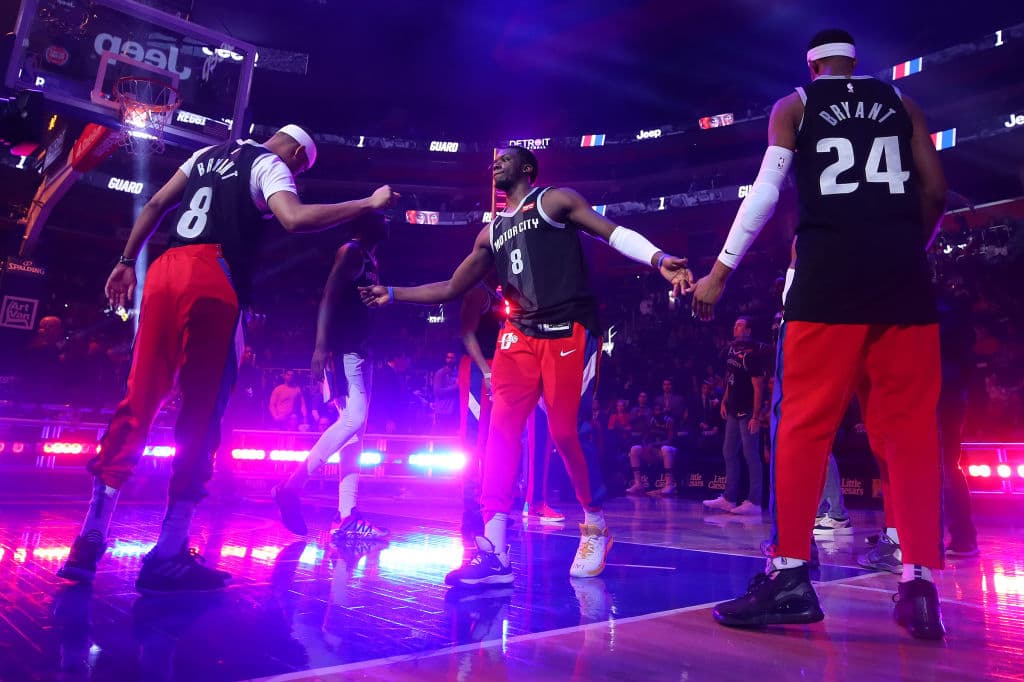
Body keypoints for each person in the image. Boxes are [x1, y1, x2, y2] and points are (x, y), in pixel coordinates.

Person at [57, 123, 398, 593]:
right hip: (213, 279)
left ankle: (90, 536)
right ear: (297, 151)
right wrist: (366, 203)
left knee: (138, 399)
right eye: (301, 165)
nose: (296, 171)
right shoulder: (269, 163)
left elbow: (156, 204)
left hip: (162, 270)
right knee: (201, 415)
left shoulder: (205, 155)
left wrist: (124, 260)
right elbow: (294, 218)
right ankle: (170, 552)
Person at [692, 29, 947, 638]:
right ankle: (919, 585)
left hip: (828, 279)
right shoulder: (900, 103)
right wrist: (909, 252)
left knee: (804, 425)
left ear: (812, 65)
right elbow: (935, 192)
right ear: (857, 63)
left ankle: (789, 577)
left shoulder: (797, 105)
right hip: (903, 282)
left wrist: (720, 271)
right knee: (910, 433)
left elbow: (766, 192)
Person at [362, 145, 692, 587]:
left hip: (569, 329)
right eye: (493, 160)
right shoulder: (489, 232)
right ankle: (495, 551)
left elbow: (611, 233)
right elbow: (451, 286)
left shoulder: (555, 200)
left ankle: (596, 525)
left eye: (505, 159)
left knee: (564, 431)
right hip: (518, 334)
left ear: (527, 169)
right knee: (499, 435)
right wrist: (395, 293)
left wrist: (657, 259)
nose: (494, 163)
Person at [274, 212, 392, 541]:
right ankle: (291, 484)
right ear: (365, 223)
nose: (388, 221)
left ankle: (346, 516)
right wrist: (319, 347)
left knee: (357, 435)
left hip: (361, 351)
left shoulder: (370, 256)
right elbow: (327, 296)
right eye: (381, 217)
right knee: (353, 421)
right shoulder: (350, 250)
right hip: (341, 352)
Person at [703, 317, 767, 515]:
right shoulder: (731, 350)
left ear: (748, 330)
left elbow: (759, 386)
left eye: (740, 325)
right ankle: (729, 498)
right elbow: (730, 378)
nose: (735, 327)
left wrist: (756, 416)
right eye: (734, 324)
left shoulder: (752, 355)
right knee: (728, 451)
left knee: (751, 454)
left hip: (748, 411)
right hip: (732, 408)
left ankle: (754, 501)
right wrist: (724, 400)